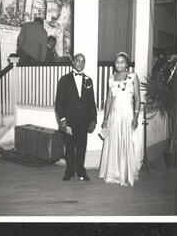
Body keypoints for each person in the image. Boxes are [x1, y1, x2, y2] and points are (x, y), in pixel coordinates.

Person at [99, 52, 141, 187]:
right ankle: (114, 173)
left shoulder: (133, 77)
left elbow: (138, 99)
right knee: (114, 142)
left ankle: (125, 173)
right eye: (117, 62)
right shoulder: (111, 78)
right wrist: (105, 118)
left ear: (127, 63)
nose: (119, 64)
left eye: (122, 62)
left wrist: (135, 117)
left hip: (127, 114)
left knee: (125, 141)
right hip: (115, 115)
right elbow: (109, 99)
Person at [55, 53, 97, 181]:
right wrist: (62, 119)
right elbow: (59, 102)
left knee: (82, 147)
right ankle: (69, 171)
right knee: (69, 148)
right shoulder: (64, 79)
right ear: (73, 62)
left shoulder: (88, 80)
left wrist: (93, 119)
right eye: (78, 60)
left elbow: (91, 101)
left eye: (83, 61)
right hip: (69, 120)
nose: (80, 63)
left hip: (84, 120)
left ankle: (81, 171)